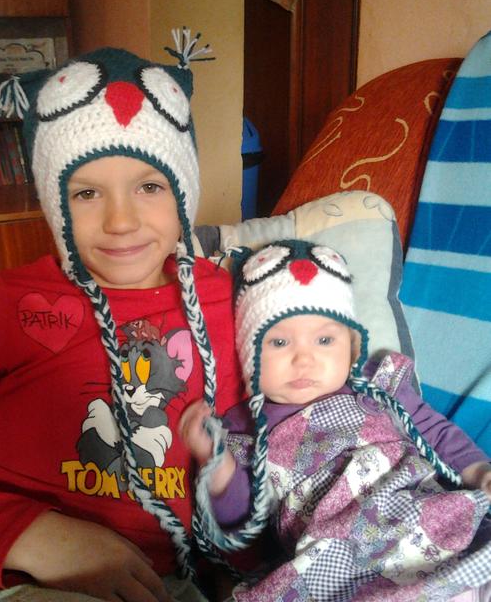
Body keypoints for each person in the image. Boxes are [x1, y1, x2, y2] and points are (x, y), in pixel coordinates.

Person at [0, 31, 244, 602]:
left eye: (149, 186)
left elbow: (249, 459)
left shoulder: (225, 301)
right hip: (11, 576)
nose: (120, 221)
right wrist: (35, 538)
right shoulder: (3, 305)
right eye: (86, 194)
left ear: (185, 194)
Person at [181, 239, 491, 601]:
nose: (304, 359)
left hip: (425, 517)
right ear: (248, 355)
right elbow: (241, 520)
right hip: (335, 557)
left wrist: (478, 470)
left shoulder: (376, 385)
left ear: (351, 345)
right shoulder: (245, 429)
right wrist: (216, 463)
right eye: (279, 343)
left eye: (325, 340)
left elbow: (433, 429)